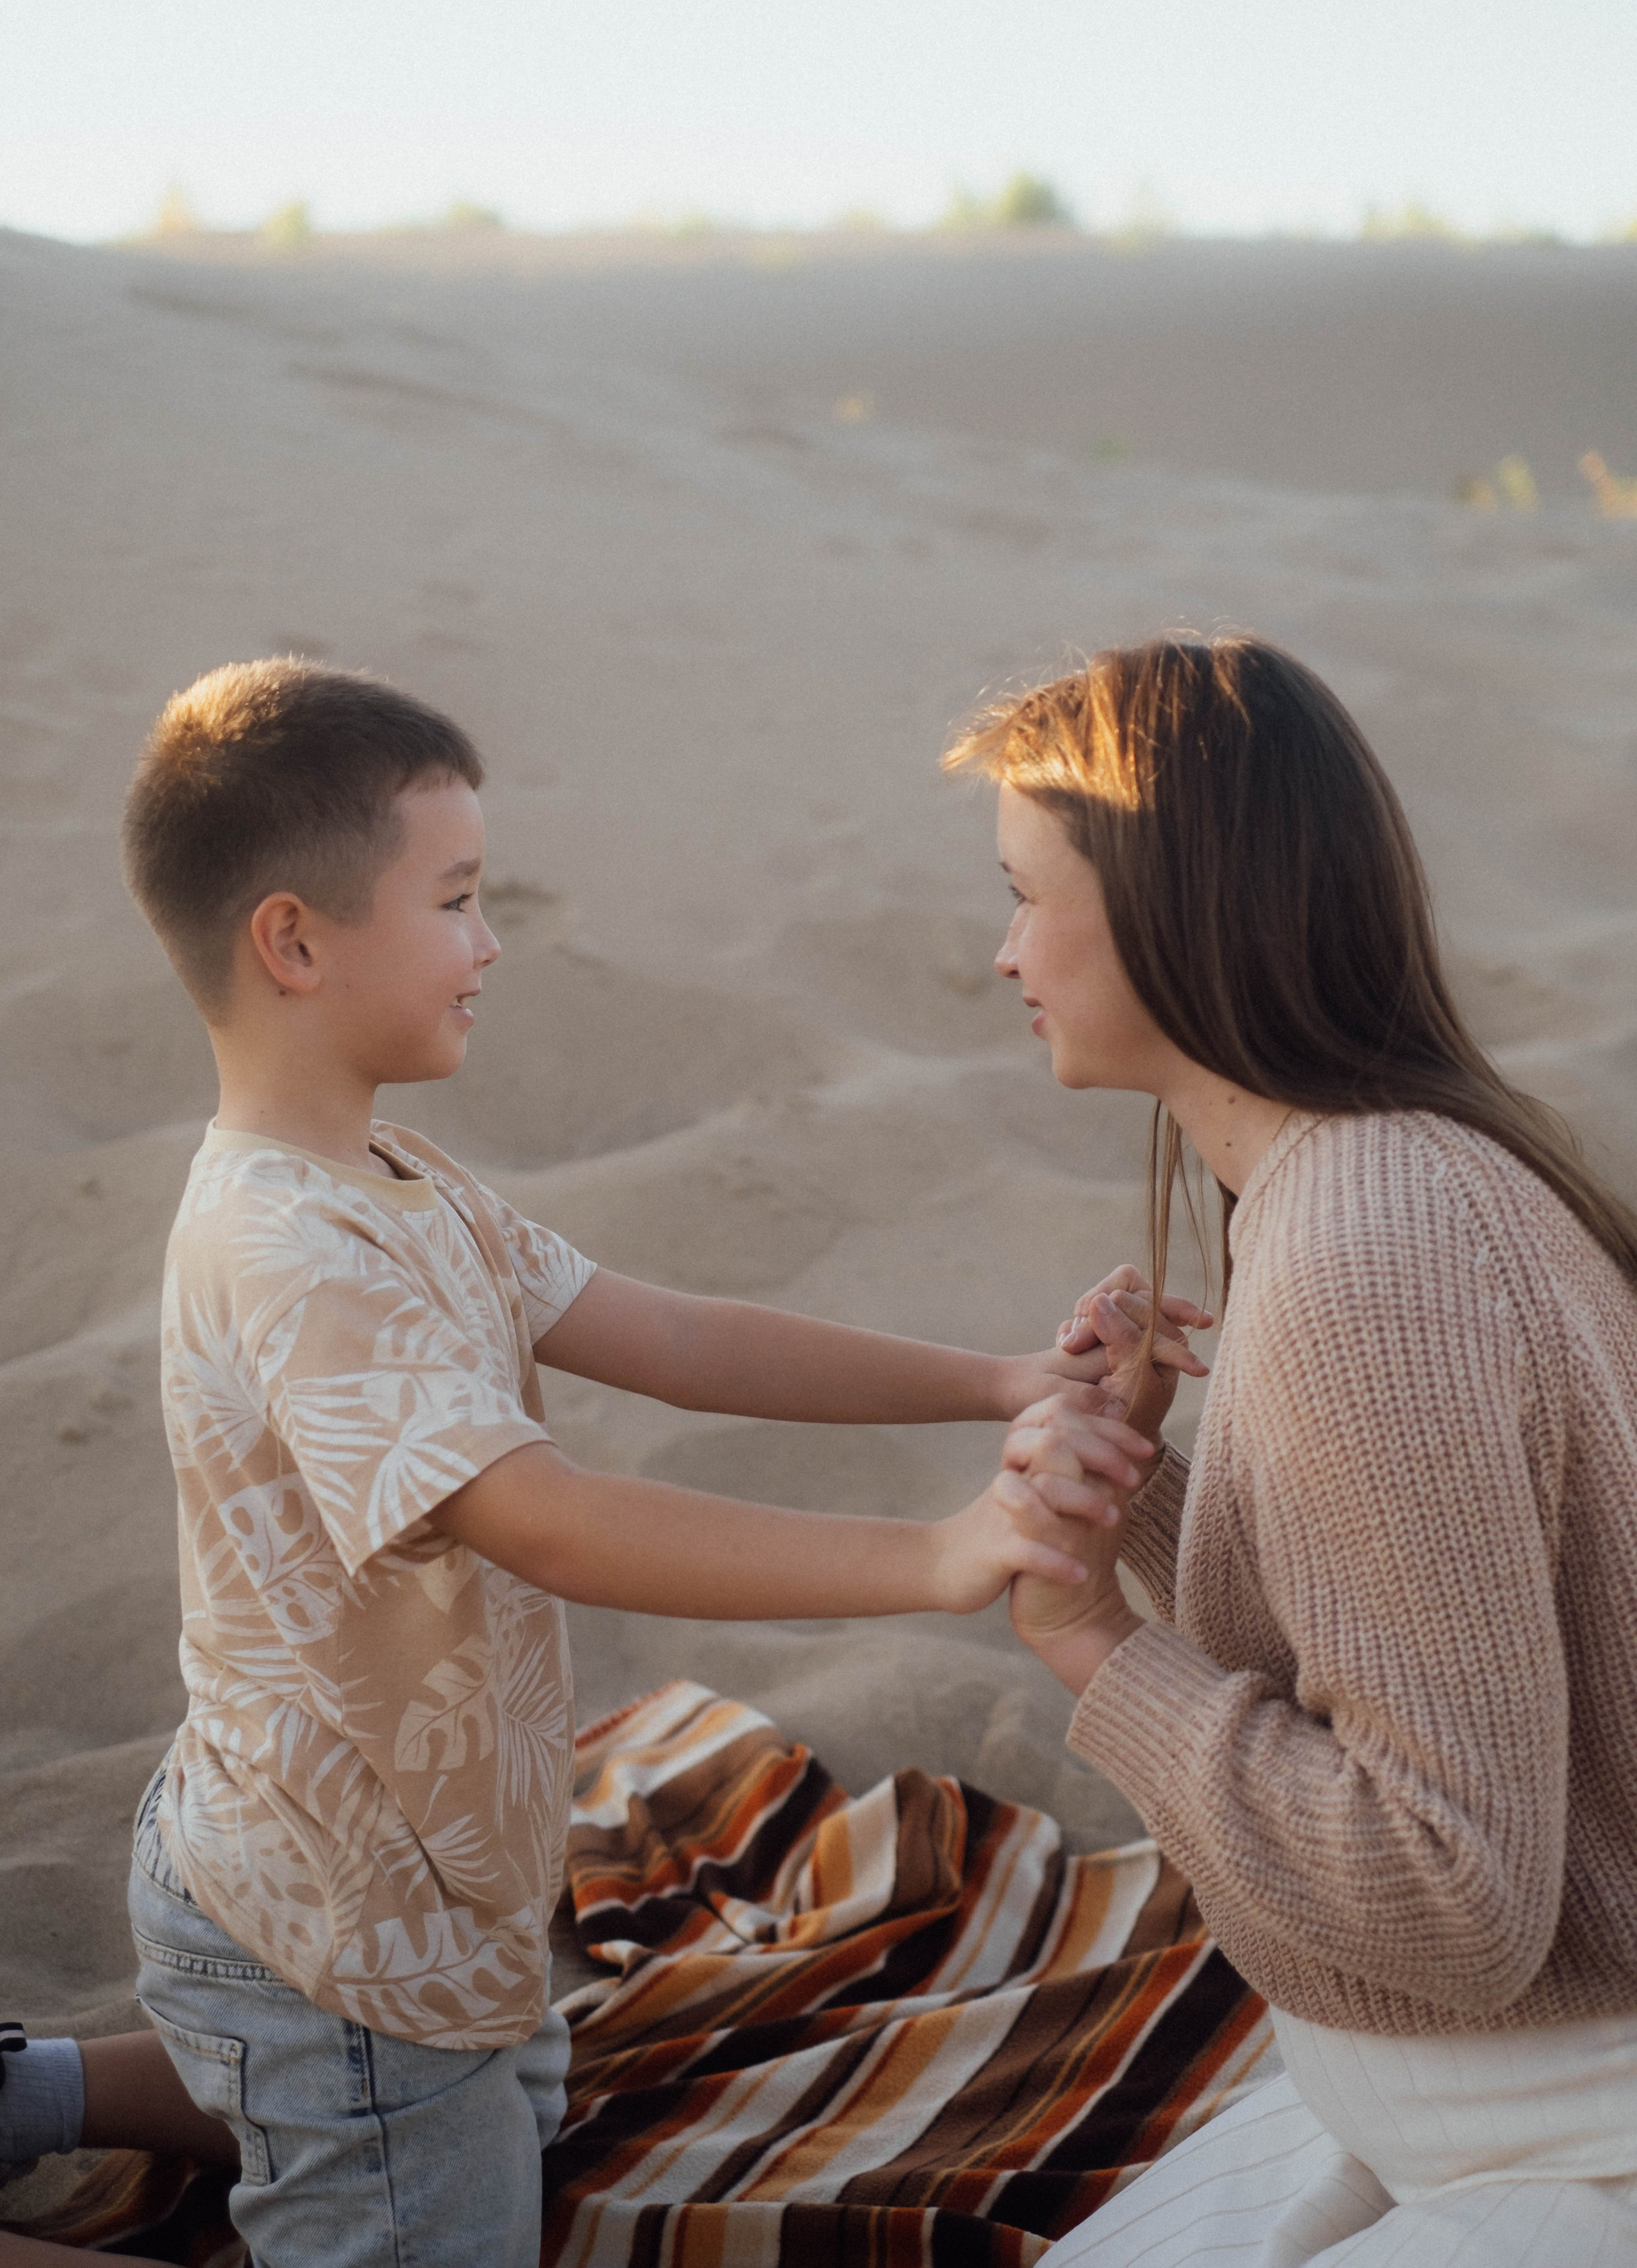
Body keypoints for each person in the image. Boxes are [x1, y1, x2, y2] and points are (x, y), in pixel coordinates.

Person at [96, 655, 1172, 2268]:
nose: (491, 941)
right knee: (387, 2117)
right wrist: (942, 1557)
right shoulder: (288, 1249)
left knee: (485, 2106)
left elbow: (665, 1334)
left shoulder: (389, 1173)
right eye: (456, 899)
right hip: (332, 1925)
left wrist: (998, 1378)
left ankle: (45, 2096)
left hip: (412, 1877)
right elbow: (558, 1524)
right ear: (294, 941)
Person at [957, 634, 1637, 2262]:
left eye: (1020, 893)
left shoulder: (1367, 1260)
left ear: (1169, 906)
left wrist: (1092, 1650)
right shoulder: (1377, 1176)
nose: (999, 956)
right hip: (1455, 2103)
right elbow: (1424, 1622)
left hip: (1559, 2125)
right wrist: (1139, 1499)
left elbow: (1445, 1892)